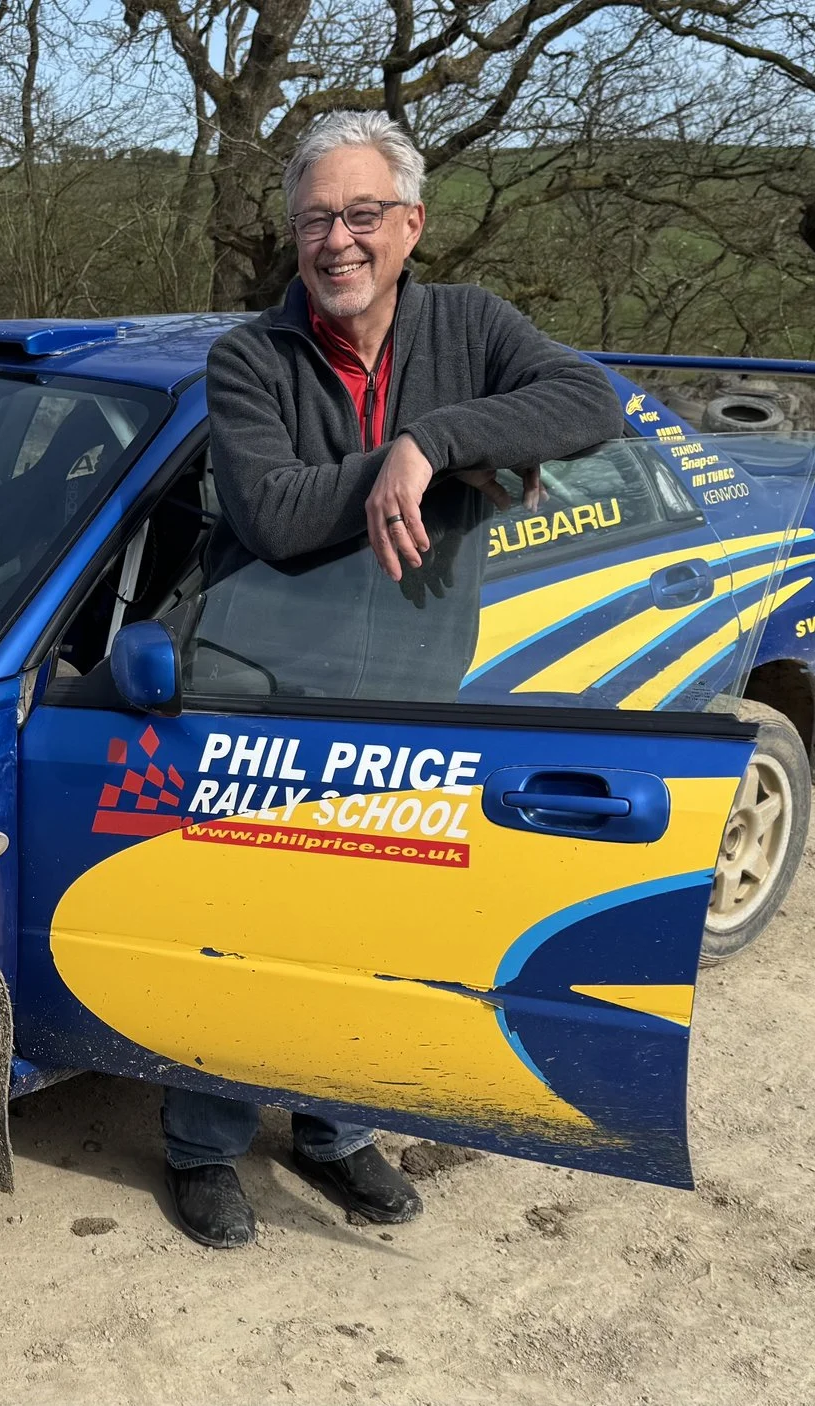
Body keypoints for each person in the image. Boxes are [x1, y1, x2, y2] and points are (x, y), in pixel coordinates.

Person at [166, 110, 622, 1249]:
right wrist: (438, 464)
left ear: (410, 224)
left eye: (362, 214)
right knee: (245, 932)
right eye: (316, 218)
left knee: (371, 931)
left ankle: (334, 1129)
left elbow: (592, 402)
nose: (337, 240)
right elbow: (271, 515)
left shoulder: (469, 323)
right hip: (259, 686)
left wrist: (434, 438)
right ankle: (202, 1142)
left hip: (412, 689)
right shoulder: (248, 358)